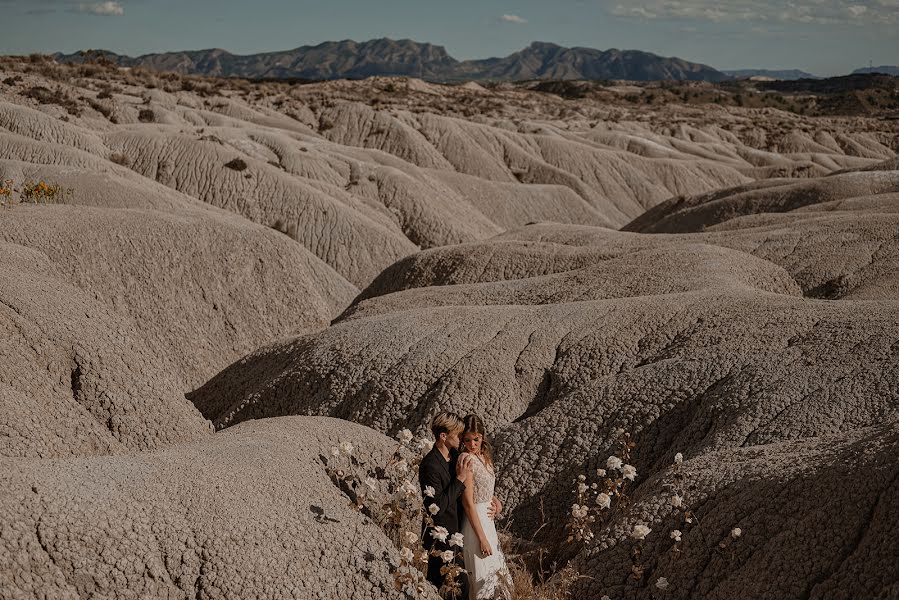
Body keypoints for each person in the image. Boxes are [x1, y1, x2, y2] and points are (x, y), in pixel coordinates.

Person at [419, 412, 472, 599]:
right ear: (443, 436)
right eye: (457, 435)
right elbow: (437, 506)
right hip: (440, 537)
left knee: (461, 589)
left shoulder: (456, 456)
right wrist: (459, 479)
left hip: (459, 533)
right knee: (446, 589)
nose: (461, 439)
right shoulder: (430, 465)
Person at [459, 414, 511, 599]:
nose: (472, 444)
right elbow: (468, 502)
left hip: (488, 522)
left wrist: (496, 501)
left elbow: (484, 487)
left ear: (482, 437)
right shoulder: (466, 460)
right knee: (483, 579)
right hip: (476, 524)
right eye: (467, 440)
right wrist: (482, 539)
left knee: (496, 576)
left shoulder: (483, 456)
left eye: (476, 439)